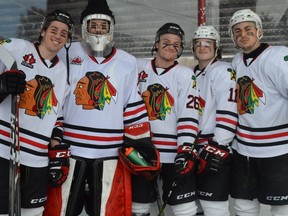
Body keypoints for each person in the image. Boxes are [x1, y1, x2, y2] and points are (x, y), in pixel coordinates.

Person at [57, 0, 159, 215]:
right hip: (71, 150)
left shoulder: (127, 61)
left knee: (105, 210)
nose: (98, 31)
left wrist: (141, 145)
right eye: (93, 25)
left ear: (111, 28)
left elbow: (132, 104)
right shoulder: (66, 52)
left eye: (104, 26)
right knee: (63, 209)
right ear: (84, 26)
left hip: (109, 153)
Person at [0, 9, 74, 216]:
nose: (58, 36)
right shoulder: (15, 48)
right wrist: (2, 86)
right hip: (5, 151)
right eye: (54, 30)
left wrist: (57, 149)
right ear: (42, 31)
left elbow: (56, 117)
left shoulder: (63, 72)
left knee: (33, 212)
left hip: (38, 159)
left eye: (64, 33)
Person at [134, 22, 200, 216]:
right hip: (143, 151)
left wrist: (185, 149)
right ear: (156, 43)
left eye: (176, 44)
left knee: (184, 208)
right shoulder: (137, 68)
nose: (171, 46)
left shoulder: (186, 75)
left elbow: (189, 114)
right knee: (137, 205)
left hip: (174, 152)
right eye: (166, 42)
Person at [228, 8, 288, 216]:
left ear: (259, 32)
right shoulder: (236, 61)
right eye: (237, 31)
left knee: (282, 206)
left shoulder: (278, 56)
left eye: (248, 29)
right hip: (244, 149)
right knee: (243, 204)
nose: (243, 34)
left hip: (278, 149)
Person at [191, 25, 238, 216]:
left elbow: (228, 109)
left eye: (208, 43)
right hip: (196, 147)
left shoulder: (223, 70)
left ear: (217, 47)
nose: (202, 47)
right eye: (198, 43)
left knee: (214, 205)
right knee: (197, 205)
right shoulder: (193, 73)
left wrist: (219, 146)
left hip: (215, 147)